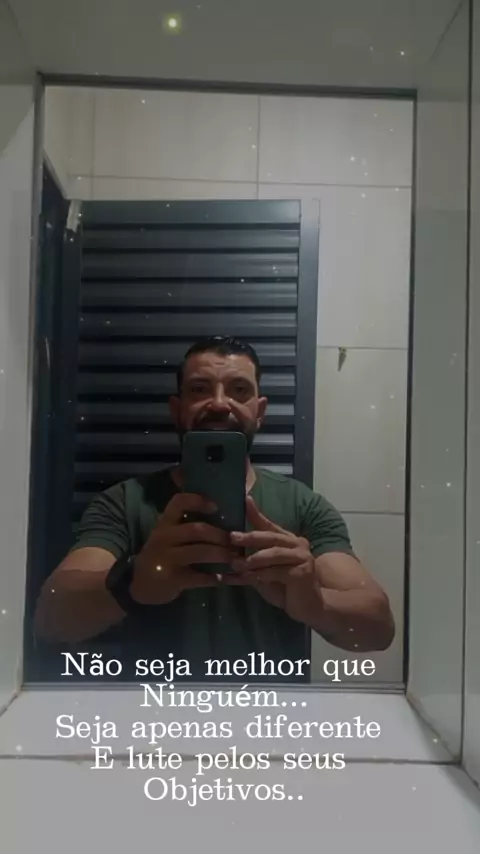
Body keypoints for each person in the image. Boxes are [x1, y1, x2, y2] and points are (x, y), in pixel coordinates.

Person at [34, 336, 394, 681]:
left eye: (239, 390)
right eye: (199, 389)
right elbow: (51, 619)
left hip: (269, 715)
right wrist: (134, 582)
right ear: (177, 410)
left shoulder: (304, 507)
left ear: (260, 412)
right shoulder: (124, 502)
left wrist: (317, 604)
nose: (220, 404)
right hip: (152, 713)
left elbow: (379, 628)